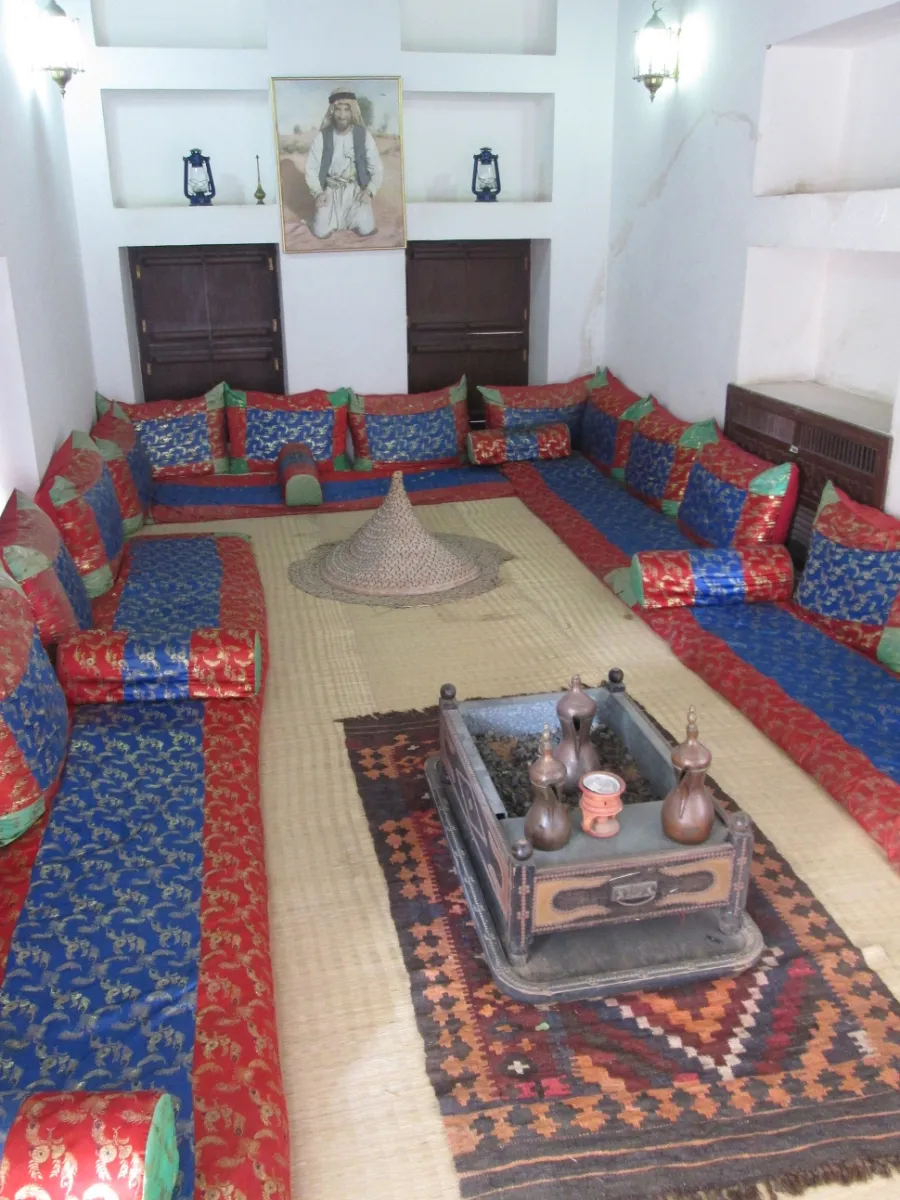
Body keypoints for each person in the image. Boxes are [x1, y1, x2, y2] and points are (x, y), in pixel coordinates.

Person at [304, 87, 384, 239]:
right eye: (338, 110)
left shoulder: (364, 136)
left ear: (352, 111)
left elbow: (377, 168)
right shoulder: (322, 137)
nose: (342, 115)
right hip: (330, 192)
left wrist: (369, 191)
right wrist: (318, 192)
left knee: (366, 228)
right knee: (320, 231)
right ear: (332, 111)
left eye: (346, 110)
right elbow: (311, 169)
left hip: (355, 192)